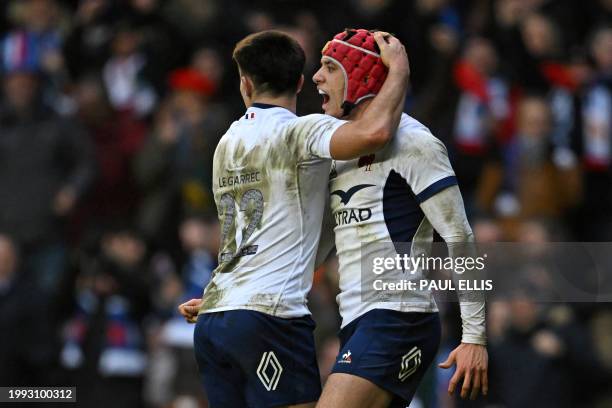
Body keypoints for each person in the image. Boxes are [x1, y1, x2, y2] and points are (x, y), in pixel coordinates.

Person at [178, 30, 410, 407]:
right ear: (301, 82)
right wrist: (398, 70)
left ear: (246, 83)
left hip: (217, 315)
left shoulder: (227, 141)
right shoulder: (299, 131)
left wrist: (230, 298)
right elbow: (376, 133)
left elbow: (265, 230)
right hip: (271, 316)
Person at [311, 29, 488, 408]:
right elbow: (322, 243)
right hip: (357, 318)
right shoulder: (339, 147)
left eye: (329, 67)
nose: (316, 78)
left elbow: (460, 235)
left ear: (359, 74)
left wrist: (474, 336)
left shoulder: (415, 143)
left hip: (399, 315)